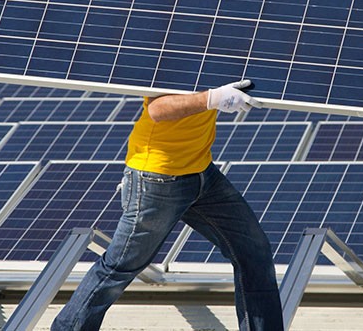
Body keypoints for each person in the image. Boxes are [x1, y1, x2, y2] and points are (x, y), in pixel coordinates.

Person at [51, 80, 285, 331]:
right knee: (118, 268)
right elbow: (158, 109)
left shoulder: (216, 46)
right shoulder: (174, 47)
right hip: (157, 179)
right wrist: (211, 99)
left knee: (254, 251)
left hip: (203, 173)